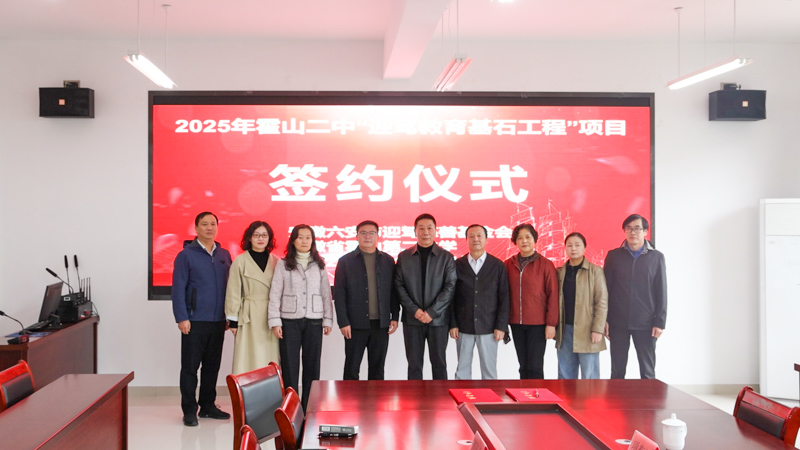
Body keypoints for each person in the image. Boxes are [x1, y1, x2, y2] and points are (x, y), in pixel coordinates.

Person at [171, 211, 232, 427]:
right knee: (190, 368)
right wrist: (182, 317)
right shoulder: (186, 255)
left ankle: (207, 405)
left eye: (213, 224)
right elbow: (178, 289)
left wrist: (229, 316)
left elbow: (230, 289)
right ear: (196, 228)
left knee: (212, 367)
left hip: (218, 322)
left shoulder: (224, 255)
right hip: (194, 321)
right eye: (204, 224)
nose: (209, 228)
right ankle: (189, 410)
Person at [268, 224, 333, 409]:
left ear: (313, 241)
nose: (304, 241)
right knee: (290, 366)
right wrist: (275, 321)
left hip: (314, 320)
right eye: (300, 237)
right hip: (289, 320)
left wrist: (328, 319)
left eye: (308, 237)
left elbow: (326, 293)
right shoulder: (283, 264)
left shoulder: (319, 264)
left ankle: (309, 407)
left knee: (312, 365)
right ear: (293, 241)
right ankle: (291, 407)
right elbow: (275, 293)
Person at [333, 220, 399, 380]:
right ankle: (349, 397)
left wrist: (395, 316)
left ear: (378, 236)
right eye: (363, 233)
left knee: (377, 369)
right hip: (355, 324)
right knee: (352, 368)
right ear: (357, 236)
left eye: (371, 233)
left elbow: (393, 291)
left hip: (381, 324)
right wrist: (343, 322)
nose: (367, 236)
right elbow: (339, 294)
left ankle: (375, 397)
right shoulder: (345, 261)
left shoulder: (388, 261)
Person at [604, 214, 667, 379]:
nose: (633, 232)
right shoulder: (614, 256)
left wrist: (659, 322)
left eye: (637, 228)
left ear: (645, 231)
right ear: (624, 231)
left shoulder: (656, 257)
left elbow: (661, 290)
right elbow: (606, 290)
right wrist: (605, 319)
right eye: (629, 228)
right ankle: (616, 396)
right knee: (617, 371)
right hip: (618, 322)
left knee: (647, 371)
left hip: (646, 322)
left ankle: (649, 397)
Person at [394, 213, 456, 380]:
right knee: (414, 365)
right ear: (415, 231)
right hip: (412, 320)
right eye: (421, 228)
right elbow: (399, 286)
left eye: (429, 228)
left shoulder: (446, 257)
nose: (425, 232)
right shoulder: (404, 257)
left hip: (438, 320)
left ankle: (440, 396)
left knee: (439, 364)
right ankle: (415, 397)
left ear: (436, 230)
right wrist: (414, 310)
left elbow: (450, 287)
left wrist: (432, 312)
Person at [449, 224, 510, 380]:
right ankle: (462, 396)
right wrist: (453, 323)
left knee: (489, 372)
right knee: (462, 372)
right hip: (463, 327)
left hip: (489, 327)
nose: (475, 239)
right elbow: (451, 297)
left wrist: (501, 326)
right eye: (471, 236)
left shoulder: (497, 265)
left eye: (479, 236)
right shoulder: (457, 265)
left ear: (486, 239)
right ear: (466, 240)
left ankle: (489, 397)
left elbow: (504, 298)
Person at [225, 221, 280, 375]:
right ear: (249, 238)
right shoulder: (240, 261)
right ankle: (247, 389)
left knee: (270, 356)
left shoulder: (276, 261)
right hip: (248, 315)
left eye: (264, 235)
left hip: (271, 315)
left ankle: (270, 389)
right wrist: (233, 320)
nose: (260, 239)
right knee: (248, 356)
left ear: (269, 238)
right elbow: (233, 292)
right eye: (256, 235)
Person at [504, 223, 558, 380]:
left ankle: (537, 394)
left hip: (538, 323)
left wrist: (551, 324)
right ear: (515, 241)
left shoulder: (546, 264)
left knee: (535, 366)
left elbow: (553, 295)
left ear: (534, 239)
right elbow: (503, 294)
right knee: (523, 365)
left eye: (528, 237)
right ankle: (524, 394)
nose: (524, 241)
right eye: (520, 238)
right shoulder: (508, 264)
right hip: (516, 322)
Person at [555, 232, 608, 379]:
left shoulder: (595, 271)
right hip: (565, 330)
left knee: (589, 376)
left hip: (588, 330)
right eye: (569, 245)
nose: (573, 249)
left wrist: (598, 329)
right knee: (565, 375)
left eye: (577, 245)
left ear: (585, 247)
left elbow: (602, 302)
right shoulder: (560, 272)